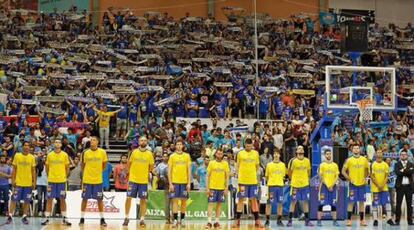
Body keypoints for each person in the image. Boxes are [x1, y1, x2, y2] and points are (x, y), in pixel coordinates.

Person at [232, 138, 263, 228]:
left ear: (252, 145)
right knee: (241, 200)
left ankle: (257, 220)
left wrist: (252, 174)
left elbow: (257, 167)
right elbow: (237, 166)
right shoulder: (240, 154)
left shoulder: (256, 153)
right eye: (247, 146)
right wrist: (238, 174)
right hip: (242, 181)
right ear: (244, 145)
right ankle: (237, 220)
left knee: (253, 200)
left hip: (253, 181)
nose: (248, 147)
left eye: (250, 146)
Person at [123, 137, 154, 227]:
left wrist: (145, 173)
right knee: (128, 198)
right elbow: (129, 165)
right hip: (133, 180)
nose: (143, 141)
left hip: (143, 181)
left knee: (143, 200)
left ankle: (142, 219)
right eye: (141, 140)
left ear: (147, 142)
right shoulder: (134, 152)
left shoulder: (149, 154)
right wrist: (131, 175)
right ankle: (126, 217)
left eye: (144, 140)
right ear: (139, 142)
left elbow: (151, 167)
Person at [41, 139, 71, 226]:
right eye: (56, 142)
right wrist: (50, 176)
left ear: (61, 145)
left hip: (61, 181)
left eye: (59, 142)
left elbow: (67, 167)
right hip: (51, 181)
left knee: (62, 199)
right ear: (54, 144)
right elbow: (47, 168)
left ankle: (65, 218)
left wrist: (64, 176)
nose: (57, 143)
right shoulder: (50, 155)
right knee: (49, 199)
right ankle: (47, 218)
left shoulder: (65, 155)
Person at [79, 136, 108, 226]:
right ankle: (82, 218)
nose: (92, 141)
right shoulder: (85, 152)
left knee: (99, 200)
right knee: (84, 199)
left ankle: (102, 218)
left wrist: (97, 173)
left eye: (94, 140)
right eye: (91, 140)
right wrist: (88, 173)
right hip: (87, 180)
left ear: (98, 142)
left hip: (98, 180)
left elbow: (104, 165)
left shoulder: (102, 152)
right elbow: (82, 165)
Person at [6, 141, 36, 225]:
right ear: (22, 147)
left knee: (27, 200)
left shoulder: (32, 157)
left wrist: (34, 182)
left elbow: (33, 171)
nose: (26, 147)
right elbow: (14, 169)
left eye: (28, 145)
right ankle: (10, 216)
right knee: (14, 200)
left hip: (28, 183)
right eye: (25, 145)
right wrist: (12, 180)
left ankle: (24, 216)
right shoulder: (17, 155)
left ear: (30, 148)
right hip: (18, 182)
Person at [342, 144, 370, 227]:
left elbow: (367, 170)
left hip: (362, 184)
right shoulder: (349, 160)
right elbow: (343, 171)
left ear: (360, 150)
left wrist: (365, 178)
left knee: (362, 202)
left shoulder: (364, 159)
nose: (356, 149)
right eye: (354, 148)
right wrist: (349, 178)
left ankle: (362, 220)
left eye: (357, 148)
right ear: (352, 150)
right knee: (351, 202)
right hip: (352, 184)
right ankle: (349, 220)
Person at [287, 145, 313, 226]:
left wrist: (305, 180)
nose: (301, 149)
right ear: (296, 151)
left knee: (305, 202)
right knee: (293, 202)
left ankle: (307, 220)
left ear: (303, 151)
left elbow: (308, 173)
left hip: (305, 184)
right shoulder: (293, 161)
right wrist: (294, 180)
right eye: (299, 148)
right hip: (295, 185)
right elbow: (289, 173)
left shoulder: (307, 161)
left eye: (302, 148)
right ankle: (290, 220)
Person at [168, 140, 191, 228]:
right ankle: (174, 219)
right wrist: (170, 183)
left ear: (182, 146)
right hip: (175, 182)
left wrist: (189, 183)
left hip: (184, 182)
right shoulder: (172, 156)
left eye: (180, 144)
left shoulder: (187, 156)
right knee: (175, 201)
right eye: (177, 144)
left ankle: (182, 219)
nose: (178, 146)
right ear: (175, 146)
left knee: (184, 201)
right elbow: (169, 171)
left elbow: (189, 171)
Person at [205, 148, 229, 229]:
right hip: (212, 187)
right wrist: (207, 188)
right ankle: (209, 222)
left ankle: (217, 222)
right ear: (215, 154)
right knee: (211, 204)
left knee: (219, 205)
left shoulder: (225, 164)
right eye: (218, 153)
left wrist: (226, 188)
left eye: (221, 154)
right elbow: (207, 176)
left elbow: (227, 177)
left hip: (221, 188)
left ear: (222, 155)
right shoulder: (211, 163)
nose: (219, 155)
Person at [370, 149, 395, 226]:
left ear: (382, 154)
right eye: (378, 152)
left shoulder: (385, 165)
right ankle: (375, 220)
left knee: (387, 203)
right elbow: (372, 176)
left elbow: (386, 177)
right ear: (376, 154)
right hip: (375, 188)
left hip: (384, 188)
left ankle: (389, 219)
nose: (379, 154)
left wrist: (382, 185)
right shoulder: (373, 164)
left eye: (381, 152)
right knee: (375, 204)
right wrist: (378, 185)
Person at [317, 150, 340, 227]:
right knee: (321, 204)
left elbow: (337, 176)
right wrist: (327, 185)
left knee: (333, 205)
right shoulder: (322, 165)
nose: (329, 155)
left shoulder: (335, 165)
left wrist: (332, 185)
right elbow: (321, 177)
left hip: (333, 188)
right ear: (325, 155)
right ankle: (319, 221)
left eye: (330, 154)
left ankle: (335, 221)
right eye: (327, 154)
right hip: (324, 187)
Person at [264, 149, 286, 227]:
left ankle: (279, 220)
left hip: (280, 186)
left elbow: (283, 175)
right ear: (273, 155)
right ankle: (267, 221)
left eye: (278, 154)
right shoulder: (269, 165)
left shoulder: (283, 165)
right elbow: (266, 176)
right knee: (269, 203)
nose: (276, 155)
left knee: (280, 203)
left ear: (280, 155)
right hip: (271, 186)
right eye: (275, 153)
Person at [394, 150, 414, 225]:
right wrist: (406, 171)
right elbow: (397, 173)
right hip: (400, 187)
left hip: (409, 187)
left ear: (407, 156)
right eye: (402, 154)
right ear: (400, 156)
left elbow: (411, 172)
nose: (403, 156)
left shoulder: (411, 164)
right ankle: (397, 220)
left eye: (404, 154)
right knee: (398, 204)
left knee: (409, 205)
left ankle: (410, 220)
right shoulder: (397, 164)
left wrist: (403, 171)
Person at [154, 153, 171, 224]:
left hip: (172, 184)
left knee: (174, 202)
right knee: (167, 203)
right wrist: (159, 179)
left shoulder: (171, 164)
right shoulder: (159, 165)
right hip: (164, 185)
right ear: (162, 157)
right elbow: (156, 173)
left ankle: (174, 218)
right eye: (164, 156)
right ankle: (167, 219)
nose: (165, 157)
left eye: (166, 156)